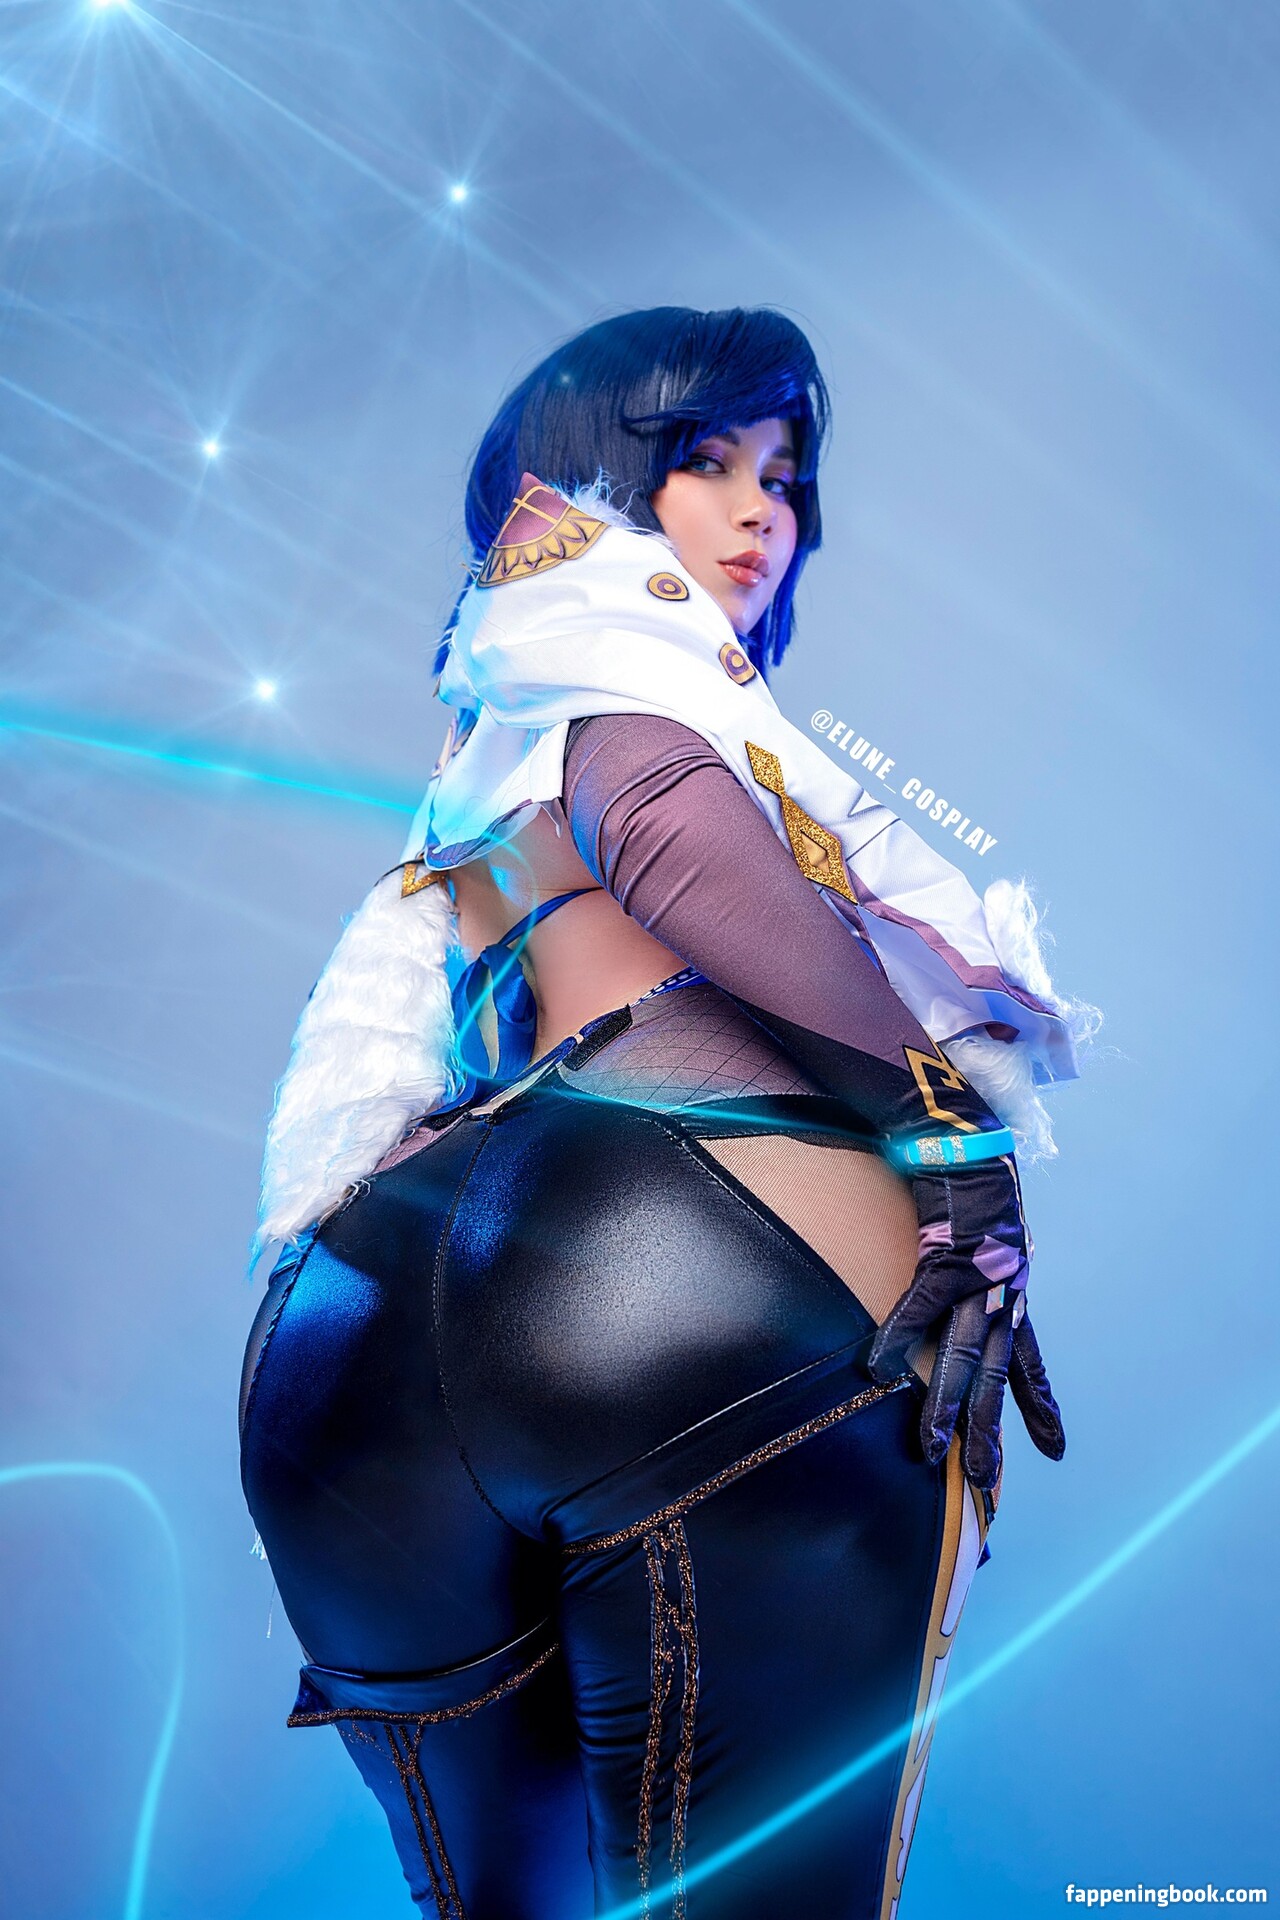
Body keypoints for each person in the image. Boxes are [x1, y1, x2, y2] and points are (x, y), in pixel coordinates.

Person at [240, 306, 1093, 1920]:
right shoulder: (631, 685)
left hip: (355, 1329)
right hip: (683, 1280)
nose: (764, 509)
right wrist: (954, 1147)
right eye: (707, 461)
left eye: (785, 474)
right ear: (587, 487)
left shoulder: (483, 743)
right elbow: (660, 818)